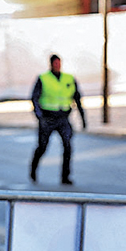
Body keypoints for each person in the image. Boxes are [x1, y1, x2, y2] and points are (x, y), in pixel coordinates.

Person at [29, 54, 86, 185]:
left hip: (63, 118)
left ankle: (65, 176)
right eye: (55, 63)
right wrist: (39, 116)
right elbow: (34, 98)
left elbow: (77, 98)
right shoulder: (43, 78)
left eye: (59, 63)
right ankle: (33, 171)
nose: (57, 65)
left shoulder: (69, 78)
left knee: (68, 146)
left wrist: (83, 118)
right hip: (47, 118)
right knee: (42, 147)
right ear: (51, 64)